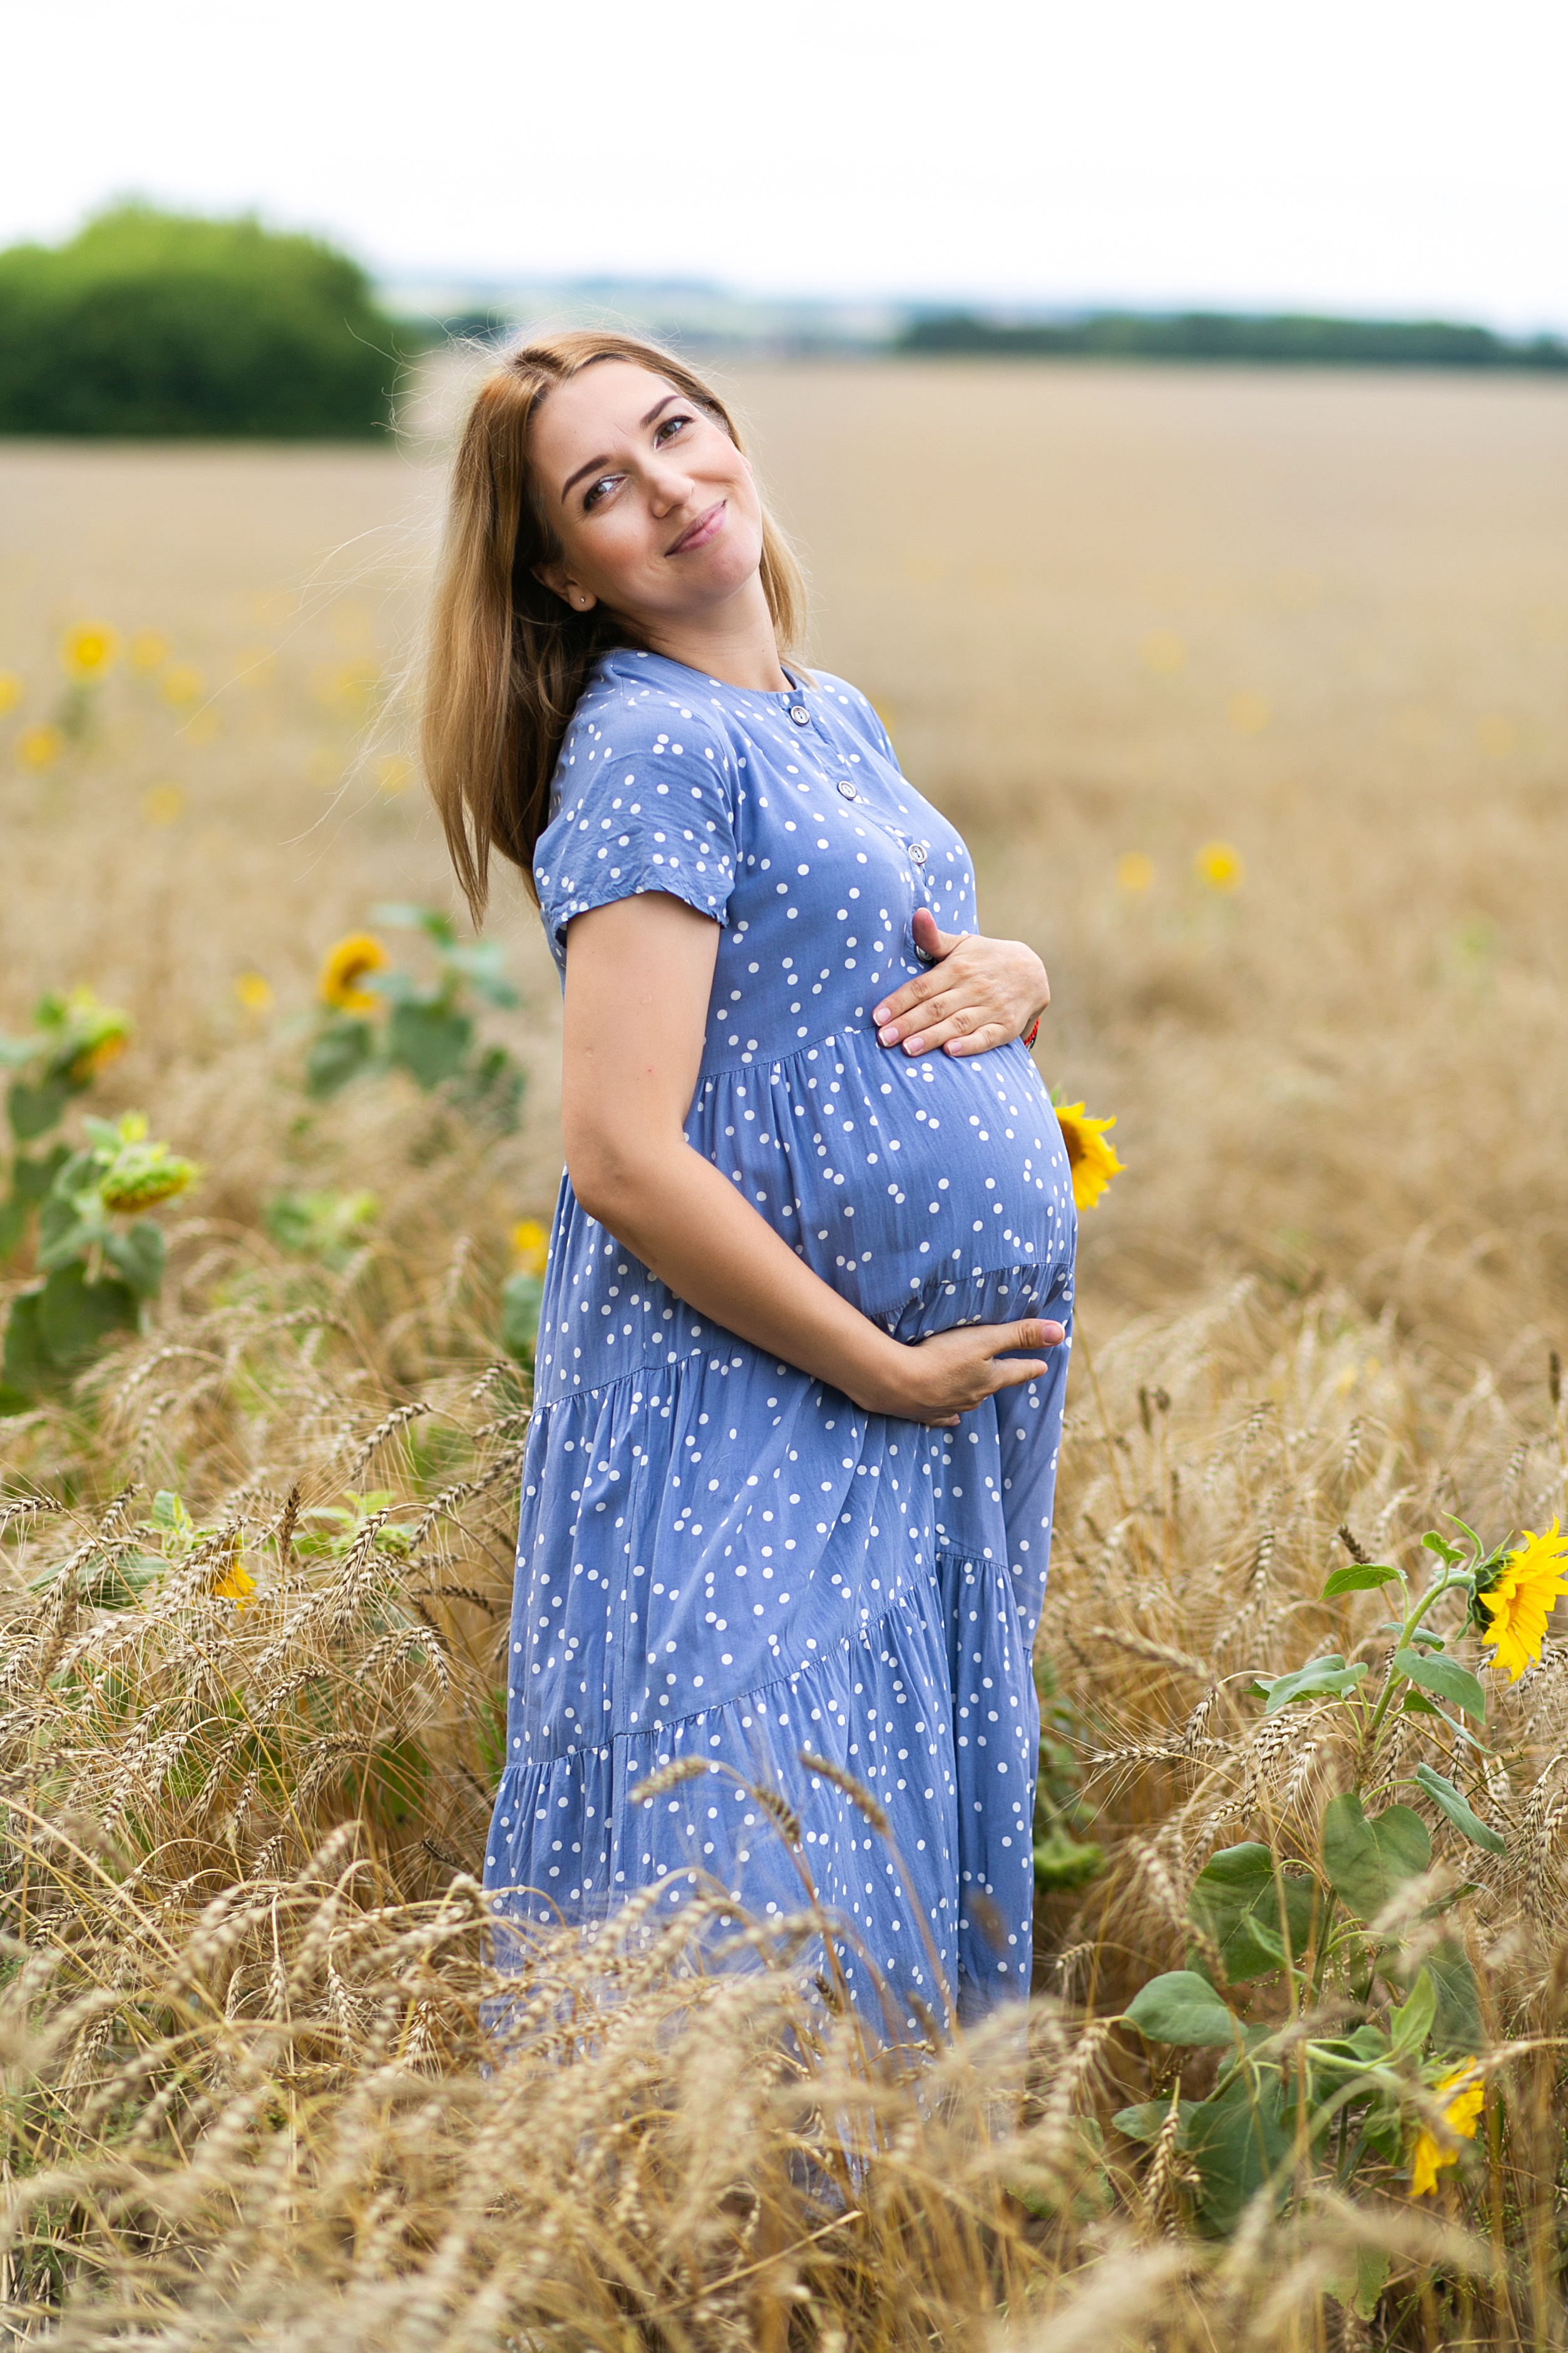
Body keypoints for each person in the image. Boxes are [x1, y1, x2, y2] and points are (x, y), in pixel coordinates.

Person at [422, 331, 1075, 2035]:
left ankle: (873, 2260)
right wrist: (877, 1364)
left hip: (906, 1417)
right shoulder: (653, 747)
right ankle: (711, 2270)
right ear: (565, 574)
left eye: (674, 430)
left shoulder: (820, 713)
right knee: (766, 1879)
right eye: (600, 491)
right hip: (768, 1397)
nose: (668, 488)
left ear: (727, 429)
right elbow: (622, 1156)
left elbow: (874, 971)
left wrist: (1016, 977)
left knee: (866, 1839)